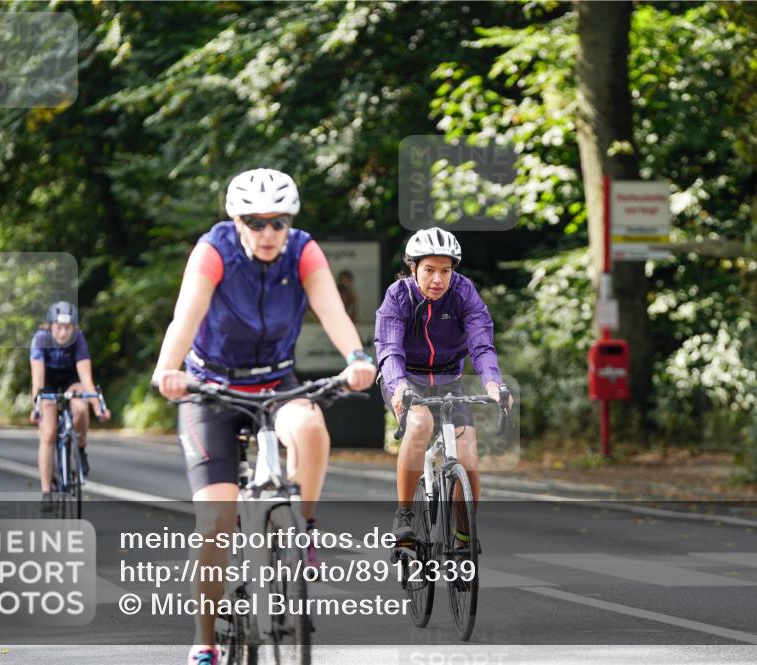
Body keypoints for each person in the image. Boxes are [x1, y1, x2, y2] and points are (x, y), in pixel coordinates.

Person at [152, 167, 376, 665]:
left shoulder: (302, 250)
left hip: (276, 381)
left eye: (279, 222)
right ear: (236, 220)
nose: (268, 233)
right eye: (256, 222)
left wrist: (357, 358)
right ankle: (205, 639)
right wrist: (168, 369)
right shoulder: (213, 252)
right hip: (211, 388)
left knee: (312, 426)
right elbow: (185, 315)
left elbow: (332, 309)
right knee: (216, 522)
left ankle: (304, 528)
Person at [374, 227, 510, 545]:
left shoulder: (463, 293)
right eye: (430, 270)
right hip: (407, 379)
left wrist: (493, 382)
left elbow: (481, 345)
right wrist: (398, 388)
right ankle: (405, 514)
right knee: (420, 424)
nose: (438, 279)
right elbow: (389, 348)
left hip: (449, 379)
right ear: (413, 268)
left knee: (469, 459)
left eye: (445, 270)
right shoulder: (399, 295)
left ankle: (464, 537)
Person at [29, 301, 110, 510]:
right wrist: (36, 407)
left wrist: (97, 408)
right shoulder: (40, 339)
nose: (63, 333)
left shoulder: (78, 340)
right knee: (48, 432)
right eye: (59, 328)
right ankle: (46, 491)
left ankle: (80, 447)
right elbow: (37, 379)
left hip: (71, 381)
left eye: (68, 328)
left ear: (74, 328)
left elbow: (86, 377)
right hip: (48, 382)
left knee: (81, 409)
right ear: (50, 326)